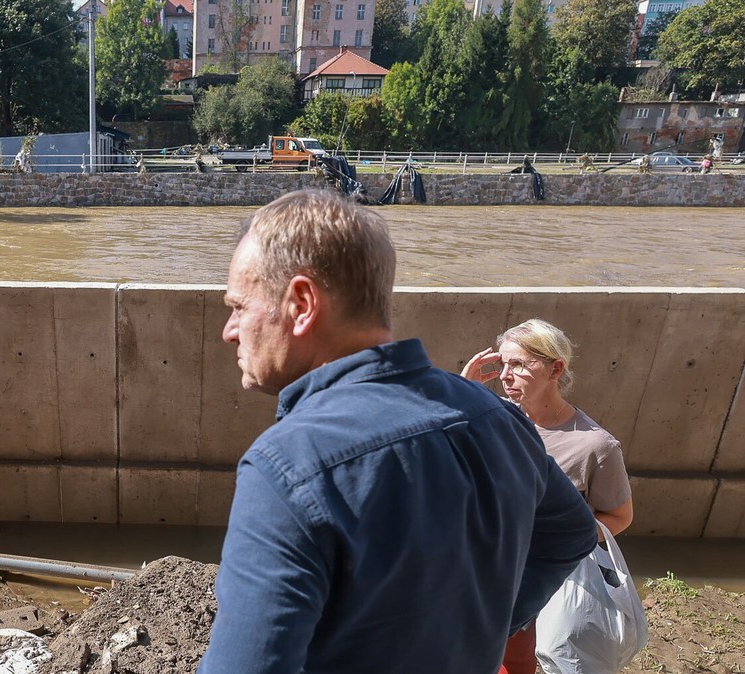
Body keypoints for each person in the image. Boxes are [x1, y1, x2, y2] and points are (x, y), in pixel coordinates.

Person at [198, 189, 597, 674]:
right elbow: (573, 531)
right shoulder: (497, 417)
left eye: (238, 306)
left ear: (302, 304)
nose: (229, 330)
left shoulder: (287, 468)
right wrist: (494, 622)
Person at [464, 319, 634, 674]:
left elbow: (619, 517)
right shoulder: (497, 416)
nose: (506, 376)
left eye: (520, 365)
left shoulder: (594, 445)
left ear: (556, 369)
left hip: (535, 578)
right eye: (503, 364)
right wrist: (465, 394)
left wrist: (559, 540)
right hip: (481, 564)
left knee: (515, 660)